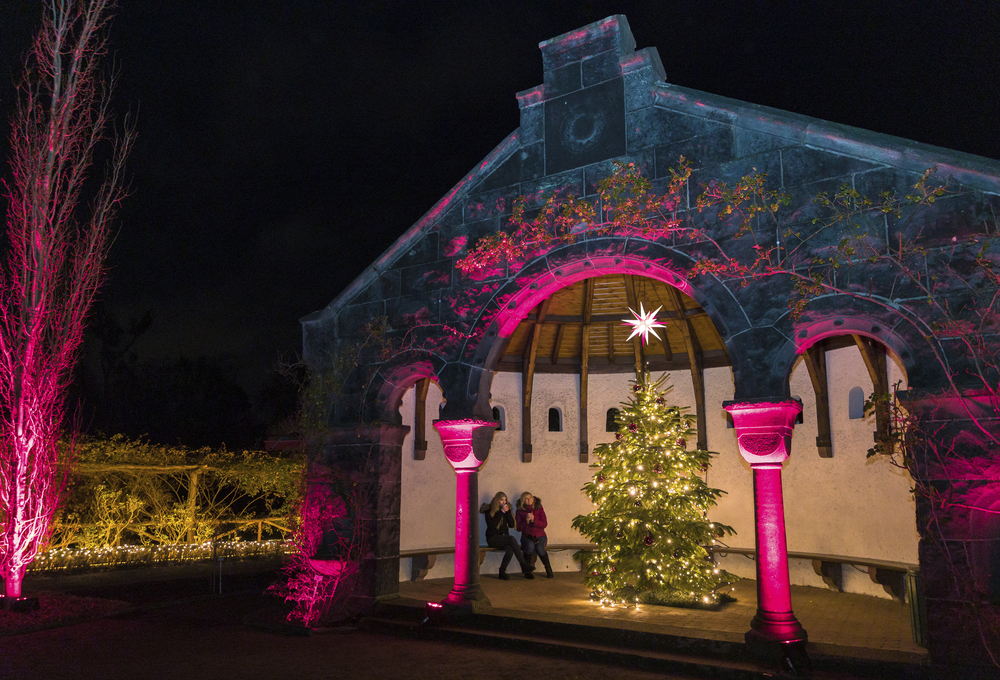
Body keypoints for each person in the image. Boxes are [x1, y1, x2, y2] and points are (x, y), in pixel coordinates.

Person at [480, 492, 533, 579]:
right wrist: (501, 512)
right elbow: (492, 525)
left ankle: (502, 571)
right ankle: (523, 565)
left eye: (505, 500)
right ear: (497, 500)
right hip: (493, 538)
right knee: (511, 539)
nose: (504, 502)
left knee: (510, 549)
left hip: (504, 538)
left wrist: (508, 512)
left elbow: (511, 524)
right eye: (502, 500)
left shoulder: (506, 510)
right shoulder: (489, 510)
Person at [516, 491, 553, 578]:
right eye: (526, 499)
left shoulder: (538, 508)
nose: (529, 500)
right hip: (527, 536)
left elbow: (544, 524)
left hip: (540, 535)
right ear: (523, 501)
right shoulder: (520, 511)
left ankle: (548, 568)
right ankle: (527, 571)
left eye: (530, 498)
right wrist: (526, 521)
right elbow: (518, 528)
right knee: (530, 546)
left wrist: (534, 520)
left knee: (540, 548)